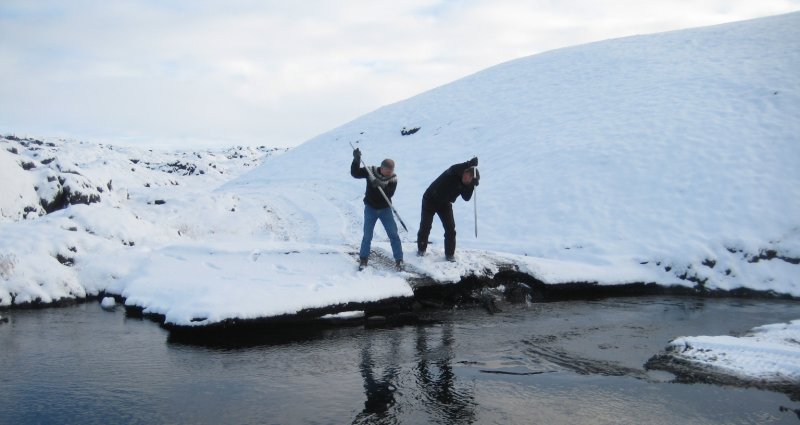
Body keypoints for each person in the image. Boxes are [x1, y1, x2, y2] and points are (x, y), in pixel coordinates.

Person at [416, 157, 480, 261]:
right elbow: (453, 168)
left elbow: (466, 198)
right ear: (465, 171)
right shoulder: (453, 173)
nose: (465, 178)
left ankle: (449, 254)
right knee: (425, 226)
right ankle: (421, 249)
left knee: (450, 229)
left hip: (445, 204)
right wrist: (468, 163)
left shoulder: (467, 184)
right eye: (466, 175)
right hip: (430, 199)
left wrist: (472, 186)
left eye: (469, 179)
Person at [351, 147, 403, 271]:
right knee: (367, 235)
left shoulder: (393, 178)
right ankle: (363, 259)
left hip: (385, 209)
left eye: (391, 171)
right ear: (382, 167)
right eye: (388, 171)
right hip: (370, 208)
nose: (390, 173)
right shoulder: (370, 171)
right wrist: (356, 160)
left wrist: (380, 185)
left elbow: (389, 194)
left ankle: (399, 260)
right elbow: (355, 173)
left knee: (393, 234)